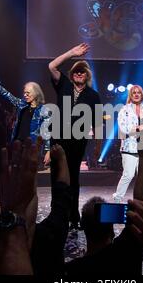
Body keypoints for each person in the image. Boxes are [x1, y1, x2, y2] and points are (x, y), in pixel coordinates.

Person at [48, 43, 102, 230]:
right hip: (58, 139)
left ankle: (73, 216)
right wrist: (72, 53)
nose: (79, 74)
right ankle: (56, 213)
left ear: (87, 76)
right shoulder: (63, 84)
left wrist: (98, 146)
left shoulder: (93, 95)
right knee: (56, 176)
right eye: (76, 71)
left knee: (73, 178)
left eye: (82, 72)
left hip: (78, 141)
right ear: (71, 75)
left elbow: (97, 123)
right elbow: (52, 66)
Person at [0, 68, 51, 165]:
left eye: (28, 93)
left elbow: (46, 132)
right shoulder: (21, 104)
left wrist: (48, 151)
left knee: (30, 173)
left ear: (36, 94)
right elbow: (7, 94)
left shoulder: (44, 110)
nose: (25, 95)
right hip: (18, 145)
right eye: (24, 93)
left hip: (33, 147)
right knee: (18, 173)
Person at [113, 85, 143, 203]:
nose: (137, 94)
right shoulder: (124, 110)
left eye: (139, 92)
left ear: (142, 95)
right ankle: (117, 198)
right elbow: (125, 129)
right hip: (130, 146)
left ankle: (142, 200)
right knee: (128, 174)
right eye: (134, 93)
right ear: (131, 95)